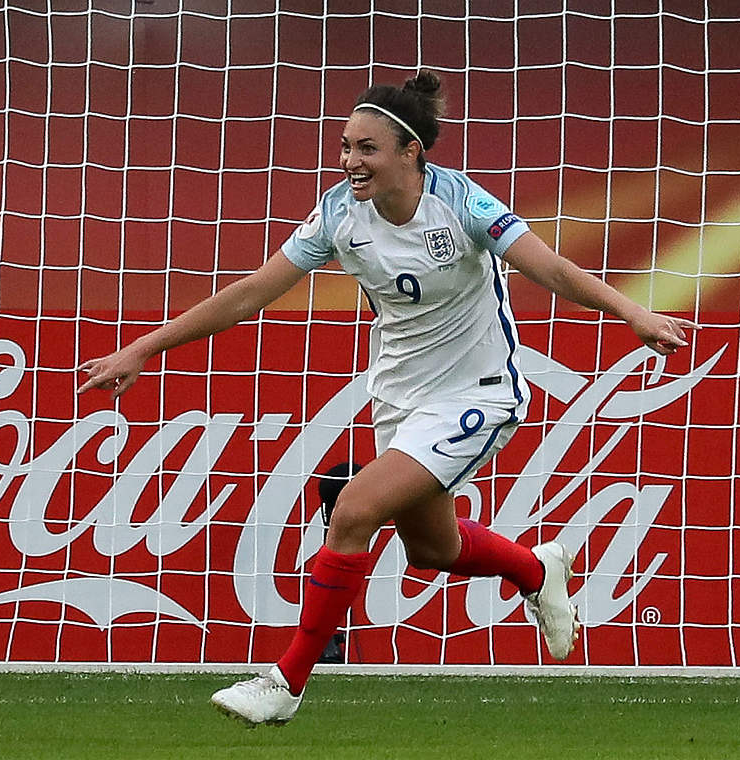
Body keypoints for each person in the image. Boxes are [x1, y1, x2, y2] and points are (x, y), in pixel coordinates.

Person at [77, 70, 697, 725]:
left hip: (479, 393)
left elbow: (553, 268)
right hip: (399, 398)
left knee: (352, 510)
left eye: (366, 148)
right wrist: (143, 348)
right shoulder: (340, 215)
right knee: (432, 548)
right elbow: (250, 292)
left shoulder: (463, 205)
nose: (349, 161)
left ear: (410, 152)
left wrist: (633, 312)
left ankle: (284, 683)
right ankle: (536, 571)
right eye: (345, 146)